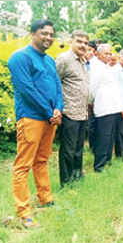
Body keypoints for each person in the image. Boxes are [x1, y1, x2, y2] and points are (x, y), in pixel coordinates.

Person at [8, 19, 63, 228]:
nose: (48, 37)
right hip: (30, 117)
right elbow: (27, 90)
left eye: (51, 34)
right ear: (32, 33)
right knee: (23, 165)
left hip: (50, 118)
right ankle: (24, 212)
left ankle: (45, 199)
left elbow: (58, 87)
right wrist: (50, 112)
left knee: (42, 160)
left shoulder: (49, 60)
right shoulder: (19, 58)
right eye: (44, 33)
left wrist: (58, 108)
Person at [56, 30, 89, 187]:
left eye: (85, 43)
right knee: (68, 150)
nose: (83, 45)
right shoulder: (64, 59)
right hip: (69, 112)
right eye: (79, 41)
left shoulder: (82, 60)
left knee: (78, 147)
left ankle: (77, 175)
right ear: (71, 41)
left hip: (82, 112)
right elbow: (55, 84)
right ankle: (66, 181)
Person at [89, 44, 123, 172]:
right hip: (104, 107)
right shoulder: (96, 68)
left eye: (110, 53)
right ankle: (99, 165)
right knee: (104, 137)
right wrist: (94, 101)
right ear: (98, 54)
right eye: (105, 53)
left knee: (110, 137)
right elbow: (93, 89)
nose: (108, 56)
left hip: (113, 108)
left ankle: (107, 161)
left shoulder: (107, 68)